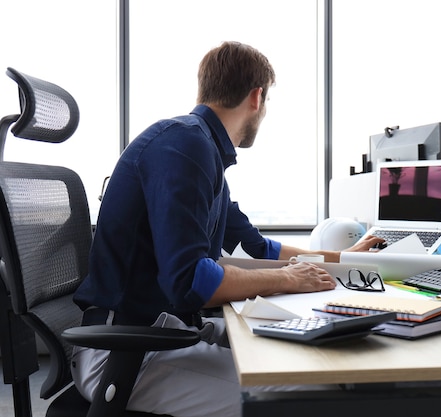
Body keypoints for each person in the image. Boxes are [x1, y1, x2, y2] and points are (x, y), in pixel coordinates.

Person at [71, 41, 382, 417]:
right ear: (257, 97)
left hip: (162, 331)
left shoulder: (202, 151)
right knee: (313, 394)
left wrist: (344, 258)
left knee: (316, 354)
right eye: (267, 104)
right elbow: (191, 282)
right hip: (123, 352)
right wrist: (286, 279)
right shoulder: (185, 146)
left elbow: (258, 248)